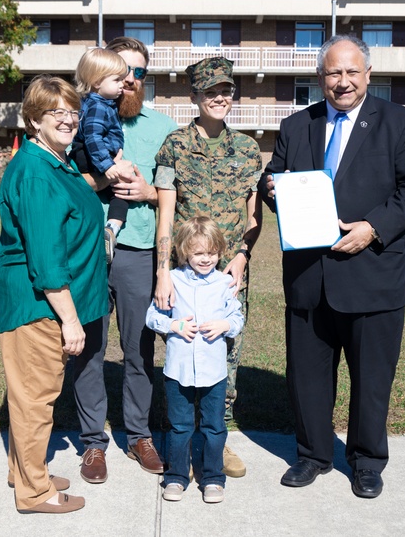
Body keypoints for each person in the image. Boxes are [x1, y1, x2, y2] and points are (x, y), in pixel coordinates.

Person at [258, 35, 405, 498]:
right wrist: (271, 188)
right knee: (307, 376)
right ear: (321, 78)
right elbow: (273, 173)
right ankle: (313, 455)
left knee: (372, 378)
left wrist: (374, 227)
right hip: (308, 278)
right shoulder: (297, 124)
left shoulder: (402, 123)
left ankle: (366, 461)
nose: (343, 82)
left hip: (374, 274)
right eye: (333, 73)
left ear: (368, 74)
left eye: (352, 72)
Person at [0, 74, 107, 514]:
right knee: (36, 399)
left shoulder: (55, 161)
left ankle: (24, 471)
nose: (68, 119)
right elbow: (46, 259)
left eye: (73, 111)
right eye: (55, 112)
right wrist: (71, 321)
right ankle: (35, 493)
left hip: (49, 302)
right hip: (40, 305)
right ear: (34, 119)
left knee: (32, 395)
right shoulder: (38, 172)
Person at [72, 36, 178, 484]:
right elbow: (64, 177)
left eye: (138, 72)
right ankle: (93, 443)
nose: (131, 80)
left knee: (139, 351)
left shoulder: (163, 127)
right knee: (90, 350)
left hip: (139, 251)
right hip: (89, 251)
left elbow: (178, 193)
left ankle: (139, 435)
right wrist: (101, 180)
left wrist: (149, 192)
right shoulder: (80, 116)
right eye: (124, 71)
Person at [153, 56, 262, 478]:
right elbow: (165, 217)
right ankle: (181, 441)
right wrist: (163, 272)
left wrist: (242, 256)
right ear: (194, 96)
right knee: (183, 354)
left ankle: (218, 442)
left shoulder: (249, 149)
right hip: (182, 275)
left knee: (226, 356)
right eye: (211, 91)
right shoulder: (175, 145)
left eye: (226, 91)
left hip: (228, 275)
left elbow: (254, 218)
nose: (220, 98)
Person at [145, 216, 244, 504]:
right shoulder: (172, 280)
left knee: (214, 425)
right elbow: (152, 316)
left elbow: (237, 317)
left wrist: (224, 326)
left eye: (212, 253)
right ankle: (176, 476)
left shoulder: (224, 283)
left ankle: (213, 477)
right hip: (179, 371)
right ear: (185, 251)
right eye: (199, 253)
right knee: (180, 425)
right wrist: (173, 326)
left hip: (213, 371)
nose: (206, 259)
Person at [71, 47, 132, 263]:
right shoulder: (98, 106)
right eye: (117, 80)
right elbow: (93, 137)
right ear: (97, 82)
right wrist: (108, 166)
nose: (122, 85)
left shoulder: (99, 103)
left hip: (94, 156)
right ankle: (112, 228)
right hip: (93, 156)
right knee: (122, 190)